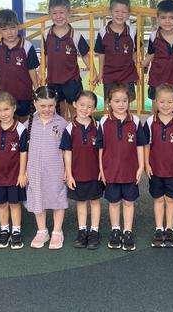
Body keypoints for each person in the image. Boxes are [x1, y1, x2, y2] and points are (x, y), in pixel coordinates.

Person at [97, 83, 146, 251]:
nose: (121, 104)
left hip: (130, 171)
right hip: (111, 172)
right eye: (116, 101)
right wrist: (102, 170)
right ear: (109, 103)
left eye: (124, 100)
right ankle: (115, 230)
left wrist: (140, 167)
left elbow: (140, 145)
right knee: (114, 203)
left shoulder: (136, 121)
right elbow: (100, 148)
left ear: (129, 102)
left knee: (129, 202)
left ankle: (127, 231)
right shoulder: (103, 121)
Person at [25, 86, 68, 250]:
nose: (47, 109)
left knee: (57, 198)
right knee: (38, 198)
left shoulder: (62, 124)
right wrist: (24, 171)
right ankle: (42, 231)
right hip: (35, 170)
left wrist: (67, 171)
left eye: (50, 105)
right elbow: (24, 150)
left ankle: (57, 232)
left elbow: (66, 151)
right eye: (42, 105)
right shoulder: (29, 123)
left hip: (56, 169)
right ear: (35, 103)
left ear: (56, 104)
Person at [143, 84, 173, 248]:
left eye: (169, 102)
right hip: (156, 169)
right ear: (156, 102)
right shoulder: (150, 122)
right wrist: (146, 163)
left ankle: (170, 229)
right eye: (162, 102)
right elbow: (147, 144)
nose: (165, 105)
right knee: (158, 199)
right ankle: (159, 229)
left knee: (171, 200)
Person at [0, 91, 28, 250]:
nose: (3, 114)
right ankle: (5, 231)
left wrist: (22, 173)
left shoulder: (21, 129)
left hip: (15, 174)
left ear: (14, 108)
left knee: (14, 204)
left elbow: (23, 152)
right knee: (2, 204)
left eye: (6, 109)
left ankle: (16, 231)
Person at [61, 91, 103, 250]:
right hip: (77, 174)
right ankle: (82, 230)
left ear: (94, 109)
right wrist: (69, 173)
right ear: (75, 105)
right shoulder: (69, 128)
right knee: (81, 202)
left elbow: (101, 151)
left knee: (95, 201)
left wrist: (102, 170)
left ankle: (94, 231)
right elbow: (67, 152)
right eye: (82, 105)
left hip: (94, 173)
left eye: (90, 106)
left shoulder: (98, 127)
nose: (85, 109)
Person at [44, 0, 91, 118]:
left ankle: (76, 132)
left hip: (72, 80)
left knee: (74, 109)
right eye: (54, 13)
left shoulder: (75, 35)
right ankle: (62, 135)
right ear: (50, 14)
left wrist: (94, 72)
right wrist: (41, 72)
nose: (58, 16)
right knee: (58, 111)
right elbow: (46, 55)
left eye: (62, 12)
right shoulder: (46, 34)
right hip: (53, 80)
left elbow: (85, 55)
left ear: (69, 13)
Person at [0, 9, 40, 122]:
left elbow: (32, 69)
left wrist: (36, 87)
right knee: (8, 121)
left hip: (24, 93)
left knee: (24, 121)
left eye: (12, 28)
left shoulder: (27, 46)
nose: (9, 32)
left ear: (18, 26)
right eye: (4, 29)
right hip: (5, 94)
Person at [142, 0, 173, 110]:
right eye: (163, 17)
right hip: (157, 79)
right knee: (156, 110)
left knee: (170, 110)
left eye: (171, 17)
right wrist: (141, 66)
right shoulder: (154, 36)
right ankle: (154, 126)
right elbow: (150, 55)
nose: (167, 21)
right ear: (157, 18)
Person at [95, 0, 138, 101]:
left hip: (128, 74)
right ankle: (111, 118)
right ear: (111, 12)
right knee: (110, 102)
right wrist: (100, 73)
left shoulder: (132, 31)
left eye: (124, 12)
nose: (120, 15)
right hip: (109, 75)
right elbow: (101, 54)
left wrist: (137, 71)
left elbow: (135, 52)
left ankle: (127, 118)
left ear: (128, 14)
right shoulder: (103, 31)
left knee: (125, 102)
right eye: (117, 11)